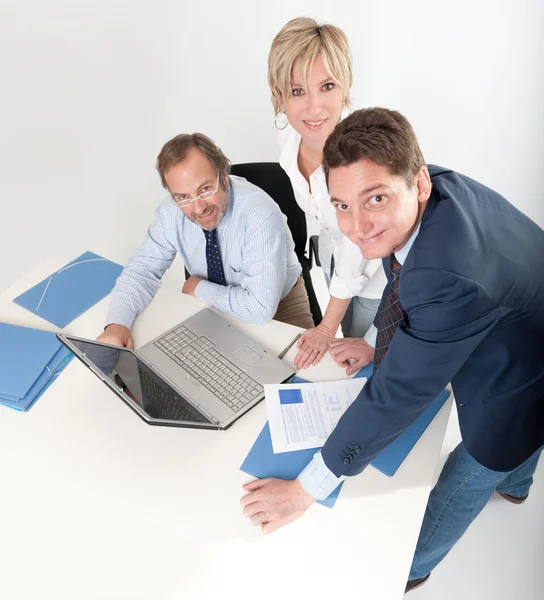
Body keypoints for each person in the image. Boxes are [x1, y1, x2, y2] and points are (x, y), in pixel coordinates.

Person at [240, 108, 544, 594]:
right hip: (524, 304)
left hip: (529, 367)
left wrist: (303, 493)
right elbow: (407, 273)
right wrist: (376, 343)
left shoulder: (447, 276)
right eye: (342, 205)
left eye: (374, 199)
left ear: (417, 183)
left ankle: (413, 566)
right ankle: (517, 484)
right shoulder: (429, 191)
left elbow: (395, 398)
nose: (357, 227)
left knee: (489, 453)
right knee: (522, 448)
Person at [99, 132, 314, 348]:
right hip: (211, 307)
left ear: (224, 178)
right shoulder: (171, 212)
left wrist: (199, 288)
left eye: (205, 189)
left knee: (304, 377)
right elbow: (143, 270)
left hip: (279, 307)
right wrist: (117, 324)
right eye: (183, 197)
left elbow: (260, 309)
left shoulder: (260, 215)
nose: (199, 208)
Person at [267, 17, 387, 370]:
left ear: (345, 85)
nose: (314, 108)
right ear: (280, 94)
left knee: (365, 366)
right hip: (338, 256)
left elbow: (358, 250)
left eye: (328, 86)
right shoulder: (287, 134)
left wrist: (326, 327)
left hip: (379, 278)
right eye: (297, 90)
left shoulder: (360, 158)